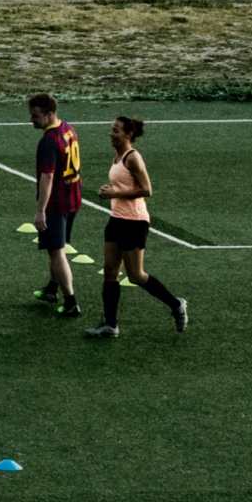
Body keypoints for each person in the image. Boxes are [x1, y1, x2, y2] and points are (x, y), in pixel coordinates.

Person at [85, 115, 187, 339]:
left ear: (128, 134)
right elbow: (123, 184)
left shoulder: (133, 158)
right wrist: (110, 190)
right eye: (112, 129)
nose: (111, 133)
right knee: (110, 271)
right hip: (116, 219)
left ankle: (176, 304)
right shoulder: (117, 156)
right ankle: (111, 325)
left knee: (135, 275)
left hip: (134, 222)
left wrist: (116, 192)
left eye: (116, 130)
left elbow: (147, 190)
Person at [27, 94, 83, 316]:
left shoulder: (48, 141)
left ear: (49, 114)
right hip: (73, 198)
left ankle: (71, 301)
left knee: (56, 251)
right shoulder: (67, 128)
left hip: (56, 204)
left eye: (36, 116)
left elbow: (47, 177)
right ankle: (51, 288)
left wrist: (41, 210)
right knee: (56, 248)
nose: (32, 120)